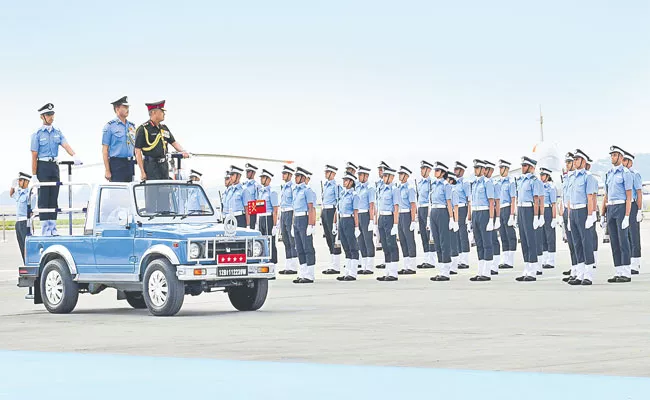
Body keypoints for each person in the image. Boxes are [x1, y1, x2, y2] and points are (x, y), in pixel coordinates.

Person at [30, 103, 81, 236]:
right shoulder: (37, 134)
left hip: (54, 166)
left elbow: (65, 145)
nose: (51, 117)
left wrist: (74, 155)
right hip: (43, 166)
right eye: (48, 115)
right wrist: (34, 175)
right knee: (44, 198)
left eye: (52, 114)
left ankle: (53, 228)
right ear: (42, 117)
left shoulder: (57, 132)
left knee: (53, 197)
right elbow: (34, 156)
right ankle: (45, 229)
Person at [134, 100, 189, 181]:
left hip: (163, 165)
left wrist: (183, 151)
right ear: (153, 113)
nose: (164, 113)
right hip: (151, 166)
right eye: (162, 111)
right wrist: (142, 171)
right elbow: (137, 151)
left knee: (165, 190)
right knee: (153, 191)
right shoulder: (143, 129)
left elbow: (174, 142)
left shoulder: (164, 128)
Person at [602, 145, 634, 283]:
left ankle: (626, 272)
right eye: (612, 155)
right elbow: (606, 194)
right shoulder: (609, 173)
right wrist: (603, 214)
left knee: (623, 241)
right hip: (611, 208)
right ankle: (618, 270)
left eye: (615, 155)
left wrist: (627, 215)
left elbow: (629, 196)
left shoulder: (626, 173)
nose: (613, 157)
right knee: (614, 241)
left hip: (621, 207)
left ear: (621, 157)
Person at [566, 150, 598, 285]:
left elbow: (591, 198)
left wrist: (591, 215)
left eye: (577, 159)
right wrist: (568, 217)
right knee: (576, 243)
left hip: (583, 211)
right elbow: (568, 199)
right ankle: (579, 274)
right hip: (573, 211)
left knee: (586, 243)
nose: (575, 161)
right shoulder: (571, 177)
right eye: (574, 159)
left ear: (583, 162)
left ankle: (588, 274)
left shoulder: (588, 177)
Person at [515, 156, 544, 282]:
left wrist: (538, 216)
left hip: (529, 210)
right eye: (522, 165)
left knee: (531, 240)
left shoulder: (535, 181)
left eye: (525, 166)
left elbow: (537, 200)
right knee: (524, 240)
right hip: (521, 209)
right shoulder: (520, 180)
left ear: (532, 167)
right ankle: (526, 267)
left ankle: (533, 269)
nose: (522, 168)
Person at [469, 159, 495, 282]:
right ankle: (480, 270)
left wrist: (491, 219)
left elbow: (491, 202)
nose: (475, 170)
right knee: (479, 243)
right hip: (475, 212)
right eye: (474, 168)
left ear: (484, 170)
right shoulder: (474, 183)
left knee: (487, 243)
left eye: (477, 168)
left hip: (484, 213)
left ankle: (487, 272)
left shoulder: (487, 183)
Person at [429, 162, 455, 281]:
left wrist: (451, 218)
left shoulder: (446, 185)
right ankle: (441, 269)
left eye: (438, 171)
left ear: (443, 173)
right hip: (434, 211)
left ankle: (446, 271)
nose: (435, 173)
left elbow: (449, 202)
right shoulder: (434, 185)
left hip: (443, 212)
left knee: (444, 242)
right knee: (437, 242)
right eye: (435, 170)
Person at [292, 167, 317, 284]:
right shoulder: (295, 190)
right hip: (296, 218)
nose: (295, 178)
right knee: (299, 248)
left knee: (307, 247)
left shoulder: (307, 190)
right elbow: (294, 208)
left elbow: (311, 208)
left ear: (302, 178)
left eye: (297, 176)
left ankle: (310, 274)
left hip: (304, 218)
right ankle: (302, 273)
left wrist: (311, 225)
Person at [102, 96, 135, 182]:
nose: (127, 109)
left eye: (128, 107)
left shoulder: (131, 126)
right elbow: (105, 150)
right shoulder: (110, 126)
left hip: (130, 163)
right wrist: (107, 170)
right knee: (117, 193)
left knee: (130, 193)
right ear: (117, 109)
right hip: (117, 164)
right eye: (124, 107)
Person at [376, 166, 400, 281]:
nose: (384, 178)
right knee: (384, 245)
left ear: (392, 177)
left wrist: (395, 224)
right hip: (382, 217)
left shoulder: (394, 190)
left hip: (390, 218)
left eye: (386, 176)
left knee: (391, 244)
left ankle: (394, 272)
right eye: (384, 175)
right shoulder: (381, 188)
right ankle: (387, 271)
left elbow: (396, 208)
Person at [336, 171, 361, 281]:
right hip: (342, 220)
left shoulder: (354, 195)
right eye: (344, 180)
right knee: (345, 246)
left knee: (352, 247)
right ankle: (347, 272)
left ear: (351, 182)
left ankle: (353, 272)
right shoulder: (342, 194)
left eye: (346, 180)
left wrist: (356, 227)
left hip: (350, 220)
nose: (344, 182)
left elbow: (356, 212)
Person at [622, 151, 643, 274]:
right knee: (626, 235)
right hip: (624, 205)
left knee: (634, 234)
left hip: (633, 204)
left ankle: (635, 263)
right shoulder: (622, 174)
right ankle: (628, 261)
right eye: (622, 160)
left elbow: (639, 192)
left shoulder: (635, 174)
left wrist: (639, 210)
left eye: (625, 161)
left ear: (630, 162)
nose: (623, 163)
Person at [321, 165, 342, 274]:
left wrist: (335, 220)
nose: (326, 173)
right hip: (325, 211)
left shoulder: (336, 186)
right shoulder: (325, 185)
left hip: (332, 212)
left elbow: (338, 203)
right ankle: (332, 263)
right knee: (329, 239)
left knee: (334, 239)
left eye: (328, 172)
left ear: (333, 174)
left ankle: (336, 266)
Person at [396, 166, 418, 275]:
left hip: (407, 214)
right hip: (400, 214)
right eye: (399, 174)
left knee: (409, 240)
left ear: (406, 176)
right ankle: (406, 265)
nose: (399, 176)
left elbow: (413, 205)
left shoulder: (410, 188)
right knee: (402, 240)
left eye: (401, 174)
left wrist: (413, 220)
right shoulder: (398, 188)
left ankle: (412, 266)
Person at [561, 153, 579, 278]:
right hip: (566, 210)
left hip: (574, 209)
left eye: (569, 162)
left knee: (576, 242)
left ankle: (579, 268)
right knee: (571, 243)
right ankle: (574, 268)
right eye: (566, 162)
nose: (567, 165)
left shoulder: (575, 177)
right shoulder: (566, 178)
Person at [497, 159, 517, 270]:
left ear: (507, 169)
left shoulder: (511, 182)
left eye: (502, 168)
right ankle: (505, 259)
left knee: (510, 235)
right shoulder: (498, 182)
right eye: (499, 168)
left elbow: (513, 199)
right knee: (503, 235)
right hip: (500, 209)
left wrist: (512, 214)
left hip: (508, 208)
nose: (500, 170)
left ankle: (510, 260)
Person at [356, 165, 376, 275]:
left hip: (366, 215)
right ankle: (363, 265)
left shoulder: (370, 189)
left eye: (360, 175)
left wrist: (372, 220)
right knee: (361, 241)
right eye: (358, 175)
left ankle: (370, 266)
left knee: (368, 240)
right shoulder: (357, 188)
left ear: (366, 176)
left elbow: (371, 205)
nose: (359, 177)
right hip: (358, 215)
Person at [278, 165, 298, 275]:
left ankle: (293, 266)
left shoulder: (293, 187)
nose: (283, 175)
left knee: (291, 240)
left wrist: (293, 220)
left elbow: (295, 204)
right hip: (283, 213)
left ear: (290, 175)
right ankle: (288, 265)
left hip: (290, 213)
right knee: (285, 240)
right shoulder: (284, 187)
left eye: (285, 174)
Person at [257, 169, 279, 268]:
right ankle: (265, 259)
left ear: (268, 179)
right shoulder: (261, 192)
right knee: (263, 240)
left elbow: (275, 210)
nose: (261, 180)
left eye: (263, 178)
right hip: (261, 217)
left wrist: (275, 225)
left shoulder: (272, 192)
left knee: (270, 240)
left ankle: (272, 262)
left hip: (268, 217)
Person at [10, 172, 33, 263]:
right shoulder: (19, 193)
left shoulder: (29, 194)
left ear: (26, 182)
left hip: (25, 222)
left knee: (26, 245)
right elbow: (11, 194)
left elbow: (32, 209)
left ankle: (29, 263)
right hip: (18, 223)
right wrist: (13, 186)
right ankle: (25, 262)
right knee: (21, 245)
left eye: (20, 180)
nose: (18, 182)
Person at [484, 160, 501, 275]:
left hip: (493, 213)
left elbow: (497, 202)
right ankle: (488, 265)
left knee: (493, 239)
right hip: (485, 213)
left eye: (486, 169)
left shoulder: (494, 184)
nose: (484, 171)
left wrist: (497, 217)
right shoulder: (482, 183)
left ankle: (495, 265)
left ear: (491, 171)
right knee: (487, 239)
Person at [417, 160, 435, 269]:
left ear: (428, 170)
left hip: (428, 209)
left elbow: (431, 200)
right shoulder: (419, 183)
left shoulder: (431, 183)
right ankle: (426, 258)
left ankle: (432, 260)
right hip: (420, 208)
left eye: (423, 168)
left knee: (430, 235)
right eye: (421, 168)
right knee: (423, 234)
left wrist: (429, 217)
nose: (421, 170)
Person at [454, 161, 472, 269]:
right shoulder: (454, 183)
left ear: (462, 171)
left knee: (463, 234)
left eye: (457, 169)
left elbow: (469, 199)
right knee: (456, 234)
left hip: (463, 208)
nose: (455, 171)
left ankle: (465, 260)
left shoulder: (465, 183)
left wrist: (468, 214)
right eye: (455, 169)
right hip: (456, 208)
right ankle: (459, 258)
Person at [539, 168, 558, 270]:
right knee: (542, 236)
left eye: (543, 175)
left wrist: (554, 218)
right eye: (541, 175)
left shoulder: (551, 187)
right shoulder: (540, 187)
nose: (541, 177)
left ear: (547, 176)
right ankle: (545, 259)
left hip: (548, 211)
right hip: (541, 211)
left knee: (550, 236)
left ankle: (551, 260)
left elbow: (554, 204)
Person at [374, 161, 390, 269]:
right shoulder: (378, 184)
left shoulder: (390, 186)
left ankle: (390, 262)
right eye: (379, 170)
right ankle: (385, 260)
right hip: (380, 214)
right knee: (382, 240)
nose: (380, 172)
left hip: (388, 215)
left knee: (389, 240)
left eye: (382, 169)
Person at [447, 172, 461, 274]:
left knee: (453, 241)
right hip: (445, 216)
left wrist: (456, 221)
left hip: (452, 216)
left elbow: (455, 207)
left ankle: (454, 266)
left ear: (451, 180)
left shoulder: (454, 190)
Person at [244, 163, 261, 230]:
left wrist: (257, 222)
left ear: (253, 173)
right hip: (244, 213)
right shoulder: (244, 185)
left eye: (248, 172)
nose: (247, 173)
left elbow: (259, 204)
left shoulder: (256, 186)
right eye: (246, 171)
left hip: (252, 213)